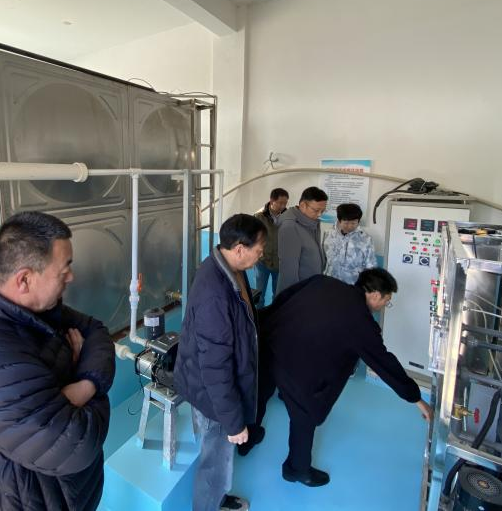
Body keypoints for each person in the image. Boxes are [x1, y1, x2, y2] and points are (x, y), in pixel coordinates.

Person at [0, 211, 116, 511]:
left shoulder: (30, 309)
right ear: (25, 279)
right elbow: (77, 443)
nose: (71, 276)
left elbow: (96, 331)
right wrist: (88, 383)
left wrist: (81, 386)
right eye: (64, 269)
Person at [240, 269, 432, 488]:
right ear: (375, 295)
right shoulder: (361, 322)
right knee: (304, 417)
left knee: (260, 394)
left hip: (271, 344)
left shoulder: (322, 281)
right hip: (296, 365)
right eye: (386, 301)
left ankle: (247, 439)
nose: (383, 306)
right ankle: (296, 470)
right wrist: (416, 398)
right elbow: (385, 363)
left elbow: (284, 298)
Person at [174, 214, 267, 511]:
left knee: (220, 458)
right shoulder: (215, 294)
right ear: (239, 248)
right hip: (215, 396)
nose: (261, 255)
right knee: (215, 461)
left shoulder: (228, 267)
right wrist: (233, 421)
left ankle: (218, 499)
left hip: (217, 388)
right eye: (259, 249)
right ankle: (208, 505)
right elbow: (215, 367)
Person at [275, 186, 328, 295]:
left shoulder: (310, 221)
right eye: (316, 210)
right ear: (303, 205)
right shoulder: (290, 227)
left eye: (322, 211)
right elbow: (288, 270)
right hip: (299, 291)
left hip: (311, 285)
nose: (319, 214)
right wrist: (294, 298)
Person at [323, 202, 378, 285]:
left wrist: (369, 284)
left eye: (353, 223)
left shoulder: (365, 239)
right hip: (331, 280)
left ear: (358, 221)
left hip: (353, 283)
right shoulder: (329, 234)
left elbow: (370, 264)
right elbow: (323, 258)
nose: (349, 226)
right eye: (346, 223)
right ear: (339, 220)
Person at [252, 188, 289, 308]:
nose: (283, 206)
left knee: (278, 295)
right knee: (259, 295)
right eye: (280, 203)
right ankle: (259, 317)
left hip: (280, 263)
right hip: (262, 262)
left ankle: (275, 317)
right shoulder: (259, 216)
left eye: (285, 203)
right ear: (272, 201)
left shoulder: (289, 218)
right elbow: (252, 238)